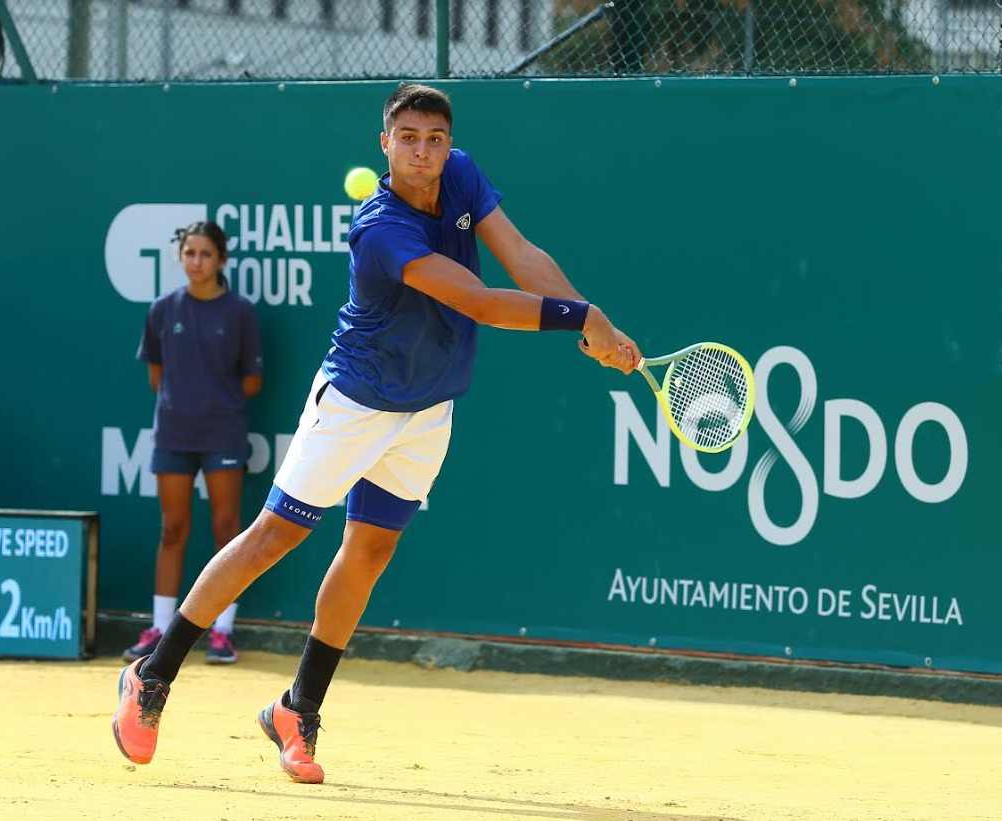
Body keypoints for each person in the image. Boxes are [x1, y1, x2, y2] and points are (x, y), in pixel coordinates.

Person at [111, 84, 640, 781]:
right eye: (409, 137)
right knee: (276, 535)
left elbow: (518, 251)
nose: (424, 151)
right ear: (384, 143)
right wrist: (582, 319)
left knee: (370, 550)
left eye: (436, 138)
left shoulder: (461, 174)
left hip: (428, 408)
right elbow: (479, 301)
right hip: (356, 402)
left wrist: (584, 311)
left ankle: (298, 707)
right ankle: (152, 672)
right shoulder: (381, 228)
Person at [123, 220, 263, 666]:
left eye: (205, 254)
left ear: (221, 260)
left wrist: (214, 405)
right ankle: (161, 628)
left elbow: (253, 380)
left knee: (227, 531)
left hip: (222, 433)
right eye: (189, 253)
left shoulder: (239, 312)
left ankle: (222, 631)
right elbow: (154, 377)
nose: (196, 262)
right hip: (173, 433)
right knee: (172, 529)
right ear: (180, 258)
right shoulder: (163, 310)